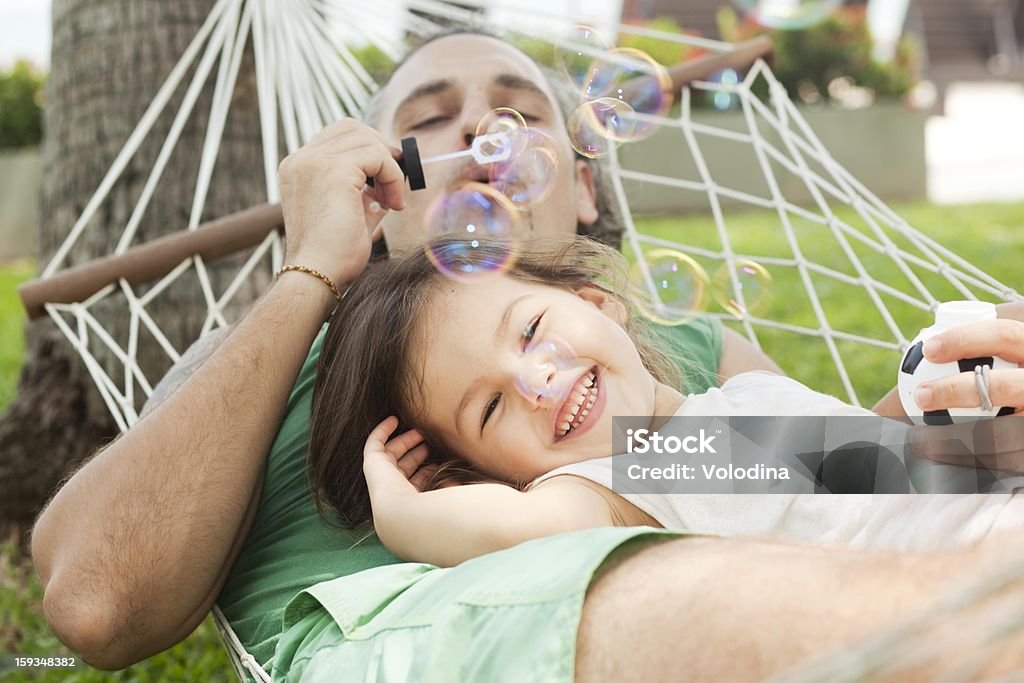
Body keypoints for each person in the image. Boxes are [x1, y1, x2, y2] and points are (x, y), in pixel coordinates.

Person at [29, 30, 1024, 681]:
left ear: (585, 192)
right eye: (426, 124)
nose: (482, 128)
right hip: (454, 621)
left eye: (521, 107)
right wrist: (309, 275)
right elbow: (94, 600)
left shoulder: (674, 367)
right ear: (375, 198)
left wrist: (964, 403)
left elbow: (829, 466)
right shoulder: (270, 351)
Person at [308, 235, 1022, 568]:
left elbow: (872, 464)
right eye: (489, 409)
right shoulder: (608, 485)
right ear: (484, 471)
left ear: (597, 302)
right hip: (969, 577)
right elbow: (511, 527)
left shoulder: (738, 397)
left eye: (530, 330)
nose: (537, 380)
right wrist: (403, 514)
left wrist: (945, 385)